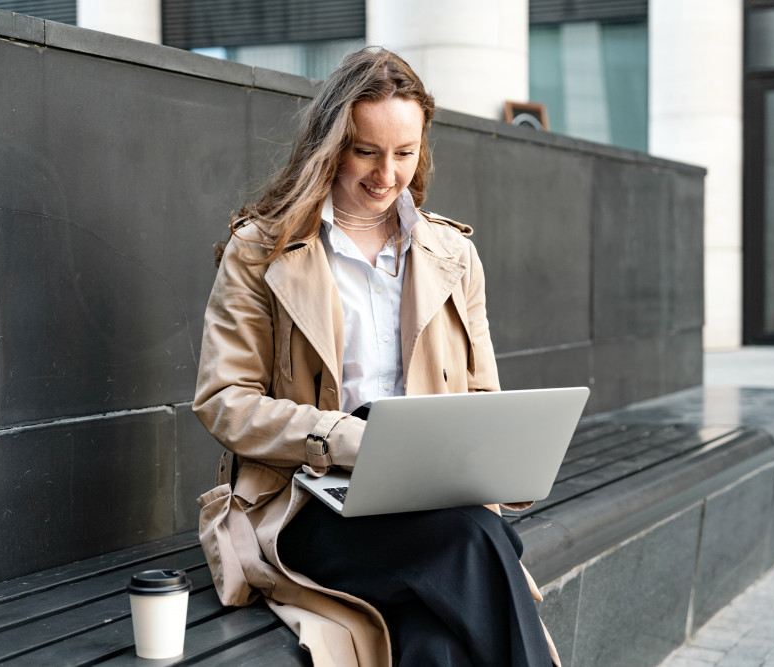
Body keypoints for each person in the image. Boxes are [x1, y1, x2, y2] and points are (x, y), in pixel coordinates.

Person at [193, 47, 559, 667]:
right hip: (310, 502)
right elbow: (224, 401)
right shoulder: (261, 248)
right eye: (366, 151)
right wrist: (339, 438)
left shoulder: (451, 254)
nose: (386, 175)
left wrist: (500, 464)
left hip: (430, 502)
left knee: (436, 645)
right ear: (329, 144)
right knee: (476, 539)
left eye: (404, 153)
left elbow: (481, 398)